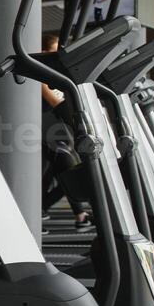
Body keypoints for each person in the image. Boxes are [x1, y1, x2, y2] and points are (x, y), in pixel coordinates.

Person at [41, 33, 90, 227]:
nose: (58, 56)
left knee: (60, 173)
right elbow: (55, 101)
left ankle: (77, 215)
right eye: (54, 51)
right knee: (68, 168)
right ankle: (79, 215)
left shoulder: (57, 75)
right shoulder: (39, 74)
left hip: (58, 131)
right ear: (44, 53)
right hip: (44, 132)